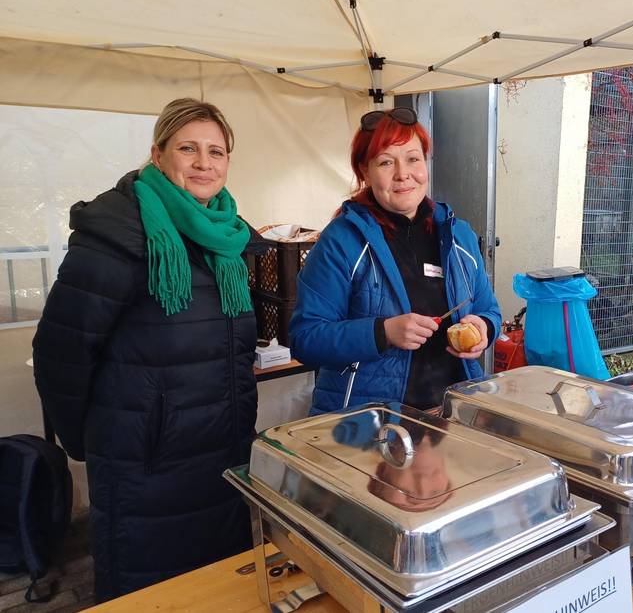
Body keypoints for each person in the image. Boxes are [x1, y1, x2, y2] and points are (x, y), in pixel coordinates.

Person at [32, 98, 259, 601]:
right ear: (158, 155)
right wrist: (88, 442)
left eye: (216, 151)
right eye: (188, 148)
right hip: (145, 462)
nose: (204, 163)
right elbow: (59, 353)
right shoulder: (120, 234)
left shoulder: (230, 238)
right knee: (150, 594)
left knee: (217, 591)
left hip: (220, 451)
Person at [290, 107, 501, 414]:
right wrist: (383, 332)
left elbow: (487, 308)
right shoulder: (342, 241)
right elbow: (305, 339)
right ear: (365, 170)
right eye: (386, 161)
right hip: (368, 424)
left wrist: (484, 328)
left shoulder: (458, 235)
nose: (403, 174)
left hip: (450, 414)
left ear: (425, 162)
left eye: (413, 159)